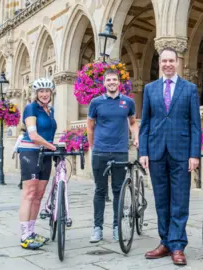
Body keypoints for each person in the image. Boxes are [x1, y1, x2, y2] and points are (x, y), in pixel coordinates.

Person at [139, 47, 201, 266]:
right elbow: (145, 123)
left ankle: (177, 245)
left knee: (180, 200)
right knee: (161, 201)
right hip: (156, 152)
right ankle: (165, 241)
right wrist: (143, 152)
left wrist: (194, 154)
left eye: (171, 60)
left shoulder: (189, 89)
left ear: (177, 62)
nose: (167, 64)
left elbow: (195, 124)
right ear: (159, 63)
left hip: (181, 152)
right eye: (164, 61)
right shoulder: (150, 89)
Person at [87, 69, 139, 243]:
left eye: (114, 80)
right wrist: (93, 146)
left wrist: (136, 137)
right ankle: (97, 228)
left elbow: (132, 122)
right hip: (100, 151)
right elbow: (90, 126)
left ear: (119, 82)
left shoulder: (128, 102)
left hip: (120, 151)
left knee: (118, 190)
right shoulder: (95, 103)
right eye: (108, 80)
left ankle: (117, 227)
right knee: (100, 190)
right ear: (104, 83)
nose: (111, 82)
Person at [17, 78, 57, 250]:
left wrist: (52, 147)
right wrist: (52, 146)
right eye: (41, 91)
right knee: (30, 193)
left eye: (47, 91)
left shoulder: (50, 110)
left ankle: (32, 231)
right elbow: (33, 136)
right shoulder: (31, 108)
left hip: (45, 153)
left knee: (39, 194)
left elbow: (48, 134)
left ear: (51, 92)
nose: (44, 94)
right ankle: (24, 235)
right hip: (30, 152)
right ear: (36, 94)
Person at [13, 125, 26, 190]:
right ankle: (22, 183)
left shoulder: (21, 136)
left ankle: (21, 183)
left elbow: (16, 145)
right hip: (30, 154)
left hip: (22, 153)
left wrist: (13, 152)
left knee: (23, 169)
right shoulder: (30, 136)